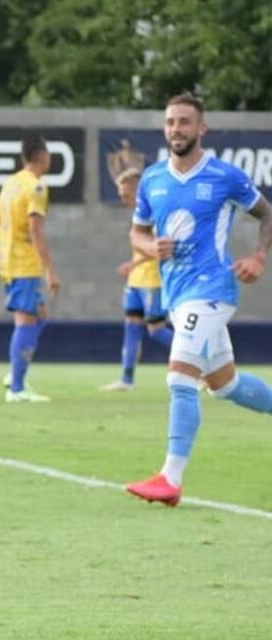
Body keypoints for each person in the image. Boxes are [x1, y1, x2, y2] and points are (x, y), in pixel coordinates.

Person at [125, 92, 272, 507]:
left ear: (201, 128)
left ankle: (170, 479)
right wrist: (150, 246)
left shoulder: (224, 176)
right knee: (225, 386)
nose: (177, 129)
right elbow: (137, 232)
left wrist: (259, 257)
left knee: (180, 378)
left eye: (185, 122)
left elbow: (267, 213)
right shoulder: (153, 179)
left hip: (211, 291)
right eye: (171, 122)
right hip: (177, 294)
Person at [0, 133, 61, 403]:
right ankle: (17, 388)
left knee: (41, 316)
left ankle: (16, 371)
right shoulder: (36, 187)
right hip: (25, 264)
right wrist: (50, 270)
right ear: (43, 156)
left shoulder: (11, 184)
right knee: (25, 321)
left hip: (7, 262)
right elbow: (36, 229)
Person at [100, 157, 174, 391]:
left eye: (125, 193)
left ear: (137, 190)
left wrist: (134, 263)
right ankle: (127, 379)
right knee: (132, 327)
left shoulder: (156, 214)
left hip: (153, 280)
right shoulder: (138, 216)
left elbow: (160, 248)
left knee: (157, 330)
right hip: (136, 281)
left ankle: (201, 362)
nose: (122, 198)